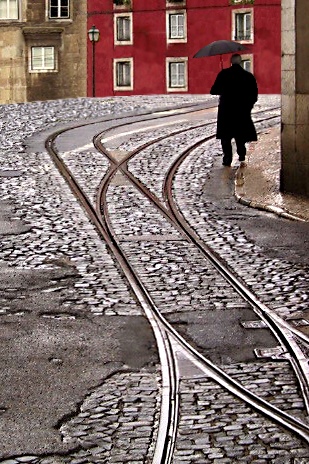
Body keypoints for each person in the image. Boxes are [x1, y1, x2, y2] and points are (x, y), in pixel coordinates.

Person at [210, 53, 258, 167]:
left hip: (226, 110)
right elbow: (254, 95)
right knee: (240, 133)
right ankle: (241, 154)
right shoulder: (248, 76)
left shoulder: (223, 74)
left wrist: (222, 87)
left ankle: (227, 158)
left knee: (226, 136)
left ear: (231, 62)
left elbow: (213, 90)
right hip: (241, 110)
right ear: (240, 62)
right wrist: (248, 106)